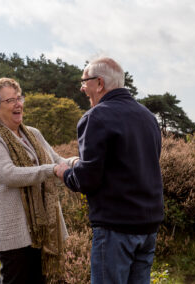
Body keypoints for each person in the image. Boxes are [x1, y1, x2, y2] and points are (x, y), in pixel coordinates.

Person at [55, 57, 164, 284]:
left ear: (100, 83)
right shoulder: (148, 117)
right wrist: (79, 164)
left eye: (84, 82)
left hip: (116, 226)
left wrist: (64, 172)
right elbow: (131, 165)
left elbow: (87, 181)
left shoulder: (96, 116)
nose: (82, 87)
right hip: (148, 224)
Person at [0, 77, 77, 284]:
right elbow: (9, 174)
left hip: (43, 229)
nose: (18, 104)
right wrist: (52, 170)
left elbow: (57, 160)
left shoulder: (33, 133)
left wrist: (77, 162)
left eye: (19, 98)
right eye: (10, 101)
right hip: (15, 232)